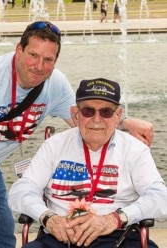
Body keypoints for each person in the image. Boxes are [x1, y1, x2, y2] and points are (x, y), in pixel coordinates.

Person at [0, 21, 153, 248]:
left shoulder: (55, 85)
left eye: (48, 59)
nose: (39, 66)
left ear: (56, 60)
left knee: (2, 234)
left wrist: (125, 123)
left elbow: (87, 121)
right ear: (19, 50)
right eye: (33, 55)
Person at [9, 78, 167, 248]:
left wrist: (115, 219)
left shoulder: (134, 149)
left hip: (118, 236)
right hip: (60, 235)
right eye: (88, 111)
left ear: (117, 116)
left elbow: (159, 197)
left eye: (106, 112)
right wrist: (48, 218)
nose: (96, 119)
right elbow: (22, 190)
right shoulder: (54, 145)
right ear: (75, 114)